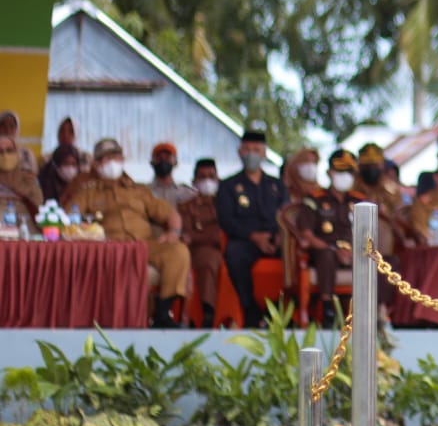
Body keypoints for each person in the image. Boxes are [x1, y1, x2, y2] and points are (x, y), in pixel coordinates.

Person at [66, 138, 191, 327]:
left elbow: (170, 214)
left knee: (178, 251)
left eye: (116, 157)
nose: (113, 163)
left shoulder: (138, 190)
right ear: (97, 164)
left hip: (144, 245)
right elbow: (69, 217)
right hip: (109, 247)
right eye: (107, 159)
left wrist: (173, 232)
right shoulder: (87, 192)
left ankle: (162, 315)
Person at [215, 130, 288, 328]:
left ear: (264, 154)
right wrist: (253, 236)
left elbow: (287, 216)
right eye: (247, 149)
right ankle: (250, 309)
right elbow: (226, 219)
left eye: (256, 150)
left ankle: (285, 310)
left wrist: (281, 237)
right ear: (240, 152)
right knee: (234, 254)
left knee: (295, 254)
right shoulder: (228, 186)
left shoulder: (277, 185)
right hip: (246, 240)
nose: (251, 154)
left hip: (276, 240)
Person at [295, 148, 359, 326]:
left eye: (349, 171)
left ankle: (377, 313)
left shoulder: (360, 201)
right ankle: (328, 308)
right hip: (325, 250)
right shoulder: (314, 199)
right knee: (326, 256)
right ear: (330, 172)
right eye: (340, 171)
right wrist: (333, 248)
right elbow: (306, 233)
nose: (344, 175)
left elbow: (370, 233)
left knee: (383, 261)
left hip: (355, 253)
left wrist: (353, 252)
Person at [180, 158, 224, 328]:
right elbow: (185, 235)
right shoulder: (186, 207)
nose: (207, 181)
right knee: (208, 259)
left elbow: (223, 233)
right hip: (198, 253)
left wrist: (198, 235)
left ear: (218, 180)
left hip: (227, 250)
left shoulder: (226, 204)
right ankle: (208, 312)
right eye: (202, 177)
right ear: (194, 182)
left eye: (211, 176)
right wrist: (210, 236)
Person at [351, 142, 416, 255]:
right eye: (368, 165)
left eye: (375, 165)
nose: (371, 169)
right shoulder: (352, 186)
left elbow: (401, 213)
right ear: (360, 166)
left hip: (386, 233)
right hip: (356, 229)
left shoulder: (390, 188)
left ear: (382, 166)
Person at [0, 130, 44, 219]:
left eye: (9, 150)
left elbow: (39, 204)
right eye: (0, 151)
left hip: (25, 227)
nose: (5, 155)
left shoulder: (28, 177)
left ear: (16, 152)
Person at [146, 142, 196, 209]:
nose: (163, 160)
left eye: (167, 157)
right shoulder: (144, 192)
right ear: (152, 162)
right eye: (159, 157)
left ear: (175, 162)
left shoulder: (187, 193)